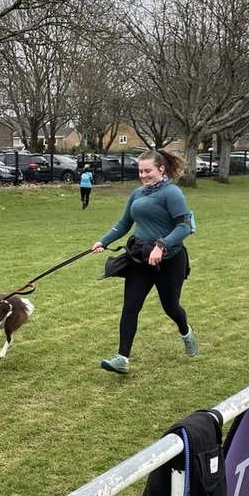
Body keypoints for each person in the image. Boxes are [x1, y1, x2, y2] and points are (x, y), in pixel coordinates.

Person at [91, 147, 197, 373]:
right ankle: (122, 358)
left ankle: (186, 332)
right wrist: (103, 241)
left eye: (147, 171)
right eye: (140, 171)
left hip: (170, 260)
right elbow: (123, 224)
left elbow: (184, 227)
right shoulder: (137, 194)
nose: (143, 175)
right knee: (130, 306)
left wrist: (162, 245)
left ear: (161, 169)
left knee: (171, 307)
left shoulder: (172, 193)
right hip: (140, 258)